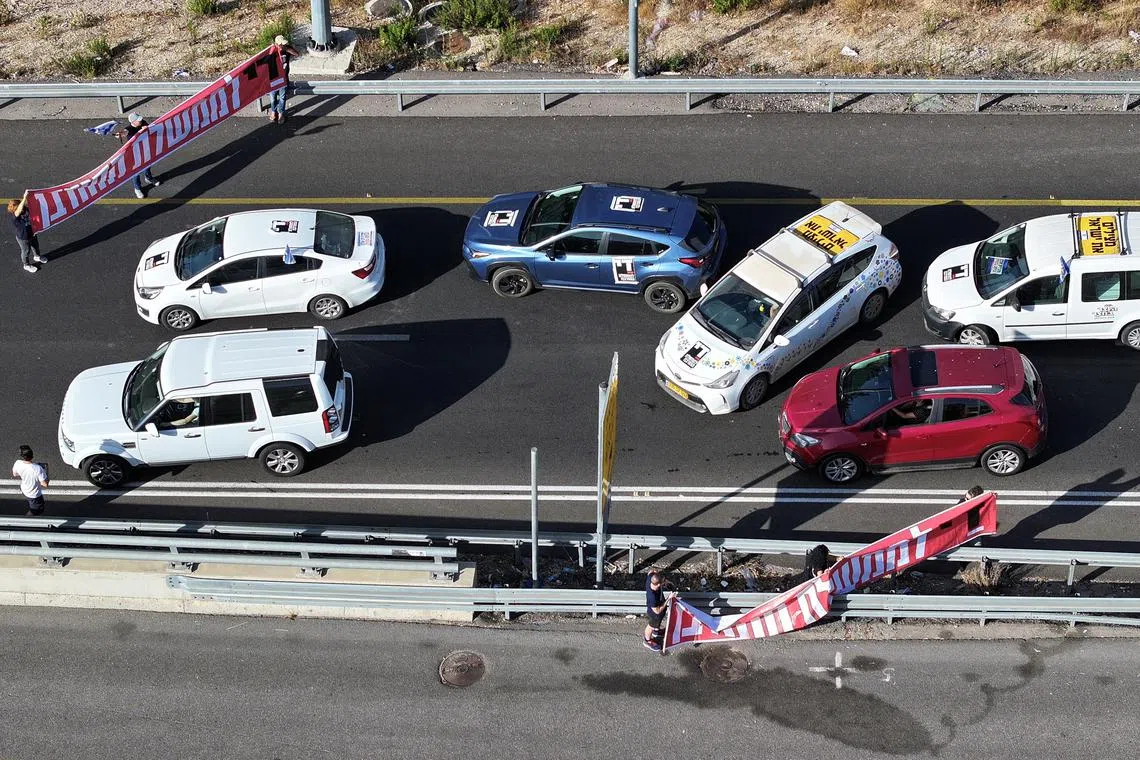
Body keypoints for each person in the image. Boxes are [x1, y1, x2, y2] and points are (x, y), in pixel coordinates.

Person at [114, 113, 161, 199]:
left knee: (148, 164)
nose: (141, 120)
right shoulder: (129, 129)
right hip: (135, 153)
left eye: (140, 119)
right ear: (133, 122)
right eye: (138, 120)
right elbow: (124, 132)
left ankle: (148, 178)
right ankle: (137, 188)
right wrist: (119, 134)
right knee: (136, 172)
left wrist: (146, 128)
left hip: (146, 149)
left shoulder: (142, 122)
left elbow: (148, 127)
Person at [9, 192, 46, 273]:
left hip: (32, 232)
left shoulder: (25, 209)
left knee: (35, 246)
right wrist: (24, 197)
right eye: (19, 207)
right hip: (23, 237)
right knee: (26, 251)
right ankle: (26, 265)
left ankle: (37, 256)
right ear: (15, 208)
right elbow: (18, 211)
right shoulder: (14, 217)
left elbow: (33, 208)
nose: (22, 208)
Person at [269, 35, 301, 124]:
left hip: (283, 79)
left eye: (284, 44)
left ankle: (281, 114)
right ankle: (273, 111)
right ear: (276, 44)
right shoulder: (272, 51)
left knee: (282, 98)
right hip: (273, 79)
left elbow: (297, 54)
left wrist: (287, 49)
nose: (283, 46)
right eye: (281, 45)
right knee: (272, 97)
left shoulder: (287, 49)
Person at [11, 445, 48, 516]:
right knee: (37, 510)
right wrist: (46, 473)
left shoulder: (17, 463)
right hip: (34, 494)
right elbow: (45, 484)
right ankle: (26, 521)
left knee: (33, 502)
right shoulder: (38, 468)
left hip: (25, 488)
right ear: (32, 455)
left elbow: (15, 474)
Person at [643, 571, 671, 651]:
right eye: (662, 583)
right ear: (658, 584)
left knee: (657, 624)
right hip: (654, 615)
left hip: (659, 610)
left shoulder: (650, 578)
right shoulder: (652, 597)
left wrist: (657, 573)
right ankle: (647, 641)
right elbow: (657, 611)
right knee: (651, 626)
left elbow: (651, 571)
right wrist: (669, 598)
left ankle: (656, 632)